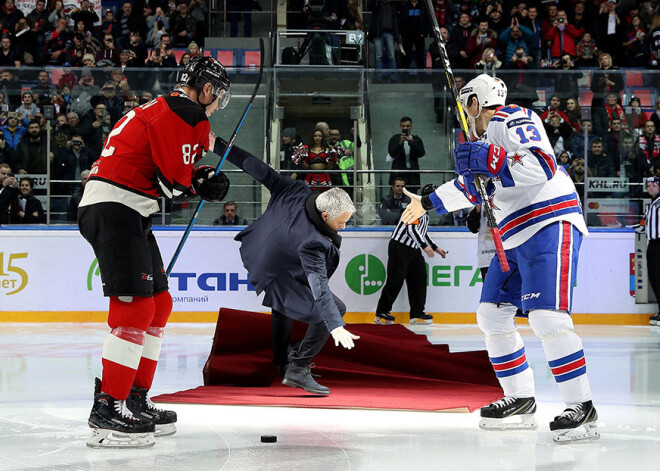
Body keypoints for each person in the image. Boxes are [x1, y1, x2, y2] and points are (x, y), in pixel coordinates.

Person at [401, 74, 598, 443]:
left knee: (547, 317)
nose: (463, 113)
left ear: (476, 102)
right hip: (513, 234)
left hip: (549, 221)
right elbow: (471, 189)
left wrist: (495, 160)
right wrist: (426, 202)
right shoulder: (482, 141)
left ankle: (581, 405)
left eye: (465, 105)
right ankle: (521, 398)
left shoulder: (512, 119)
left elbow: (542, 167)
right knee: (491, 314)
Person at [77, 56, 232, 449]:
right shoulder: (187, 114)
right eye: (219, 98)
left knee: (158, 304)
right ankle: (107, 408)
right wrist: (202, 183)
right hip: (116, 208)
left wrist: (199, 177)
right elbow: (172, 187)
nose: (217, 106)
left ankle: (134, 397)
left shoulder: (167, 108)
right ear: (208, 89)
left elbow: (167, 171)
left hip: (126, 208)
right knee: (135, 309)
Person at [211, 136, 359, 395]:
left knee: (282, 310)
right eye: (342, 222)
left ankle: (282, 363)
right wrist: (335, 324)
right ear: (325, 215)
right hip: (278, 269)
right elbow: (319, 288)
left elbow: (256, 167)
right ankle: (298, 368)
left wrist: (217, 145)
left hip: (266, 252)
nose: (344, 227)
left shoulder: (295, 190)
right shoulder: (312, 242)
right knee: (335, 307)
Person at [375, 184, 446, 325]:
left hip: (413, 249)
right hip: (399, 247)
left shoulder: (424, 211)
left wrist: (434, 247)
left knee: (419, 279)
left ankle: (417, 312)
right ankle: (382, 311)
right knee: (395, 280)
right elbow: (411, 230)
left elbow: (422, 232)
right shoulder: (414, 208)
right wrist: (425, 247)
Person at [388, 116, 425, 194]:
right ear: (400, 126)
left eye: (407, 126)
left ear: (411, 126)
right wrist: (400, 143)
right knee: (396, 201)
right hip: (398, 175)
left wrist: (411, 143)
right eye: (403, 126)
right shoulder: (395, 139)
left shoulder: (416, 139)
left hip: (412, 176)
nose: (405, 128)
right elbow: (392, 153)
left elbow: (421, 153)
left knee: (412, 200)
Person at [641, 176, 660, 325]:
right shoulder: (651, 205)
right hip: (652, 244)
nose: (650, 187)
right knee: (654, 277)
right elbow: (643, 225)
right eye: (648, 185)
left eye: (653, 184)